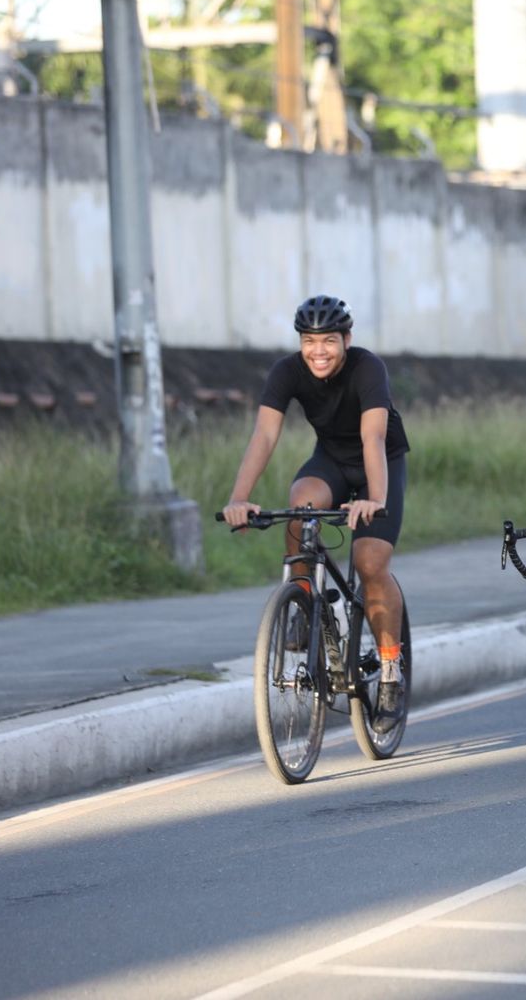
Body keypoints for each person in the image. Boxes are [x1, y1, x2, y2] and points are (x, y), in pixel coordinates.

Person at [224, 295, 412, 731]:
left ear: (347, 339)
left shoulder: (368, 368)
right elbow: (265, 436)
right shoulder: (286, 371)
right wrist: (239, 498)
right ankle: (302, 600)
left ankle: (389, 673)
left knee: (369, 563)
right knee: (300, 505)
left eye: (329, 340)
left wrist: (375, 499)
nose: (319, 351)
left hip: (379, 464)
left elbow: (373, 438)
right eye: (310, 341)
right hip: (329, 459)